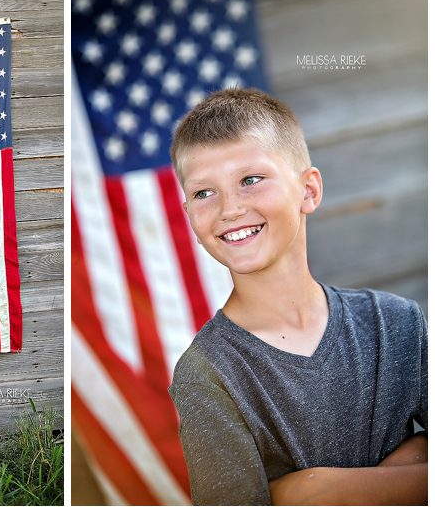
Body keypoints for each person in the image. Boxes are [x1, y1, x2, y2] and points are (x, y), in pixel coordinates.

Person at [167, 88, 427, 505]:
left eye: (250, 180)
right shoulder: (208, 373)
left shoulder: (396, 324)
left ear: (308, 190)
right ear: (188, 214)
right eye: (204, 192)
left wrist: (311, 491)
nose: (230, 208)